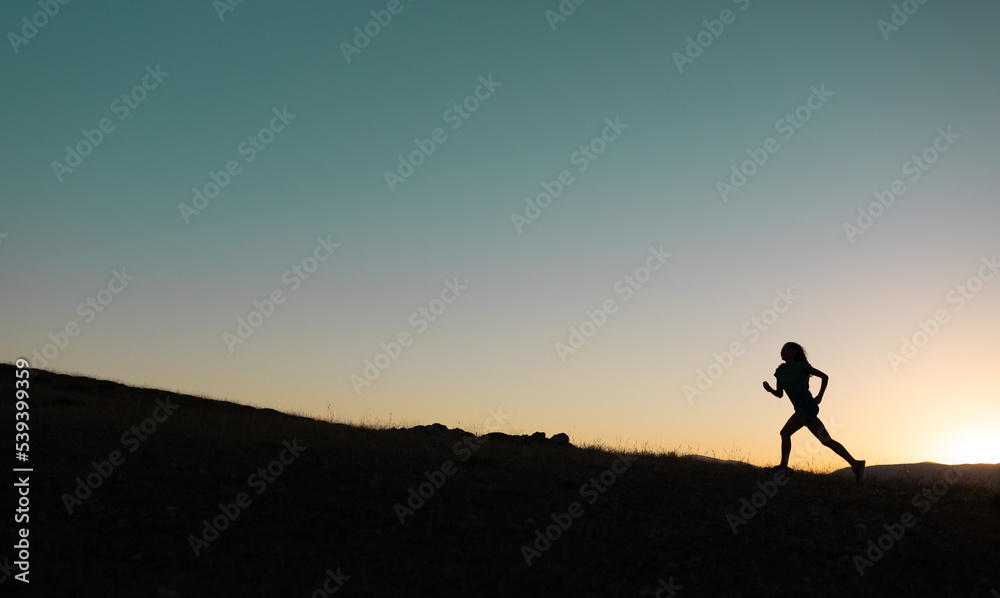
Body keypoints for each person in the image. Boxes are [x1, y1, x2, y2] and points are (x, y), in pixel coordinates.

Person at [763, 342, 865, 483]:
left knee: (785, 433)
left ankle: (783, 468)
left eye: (785, 349)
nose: (782, 351)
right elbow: (780, 394)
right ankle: (855, 464)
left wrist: (820, 396)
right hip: (800, 408)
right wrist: (770, 390)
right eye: (781, 350)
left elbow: (824, 377)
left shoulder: (802, 366)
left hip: (808, 406)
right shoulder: (779, 371)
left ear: (794, 351)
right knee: (826, 441)